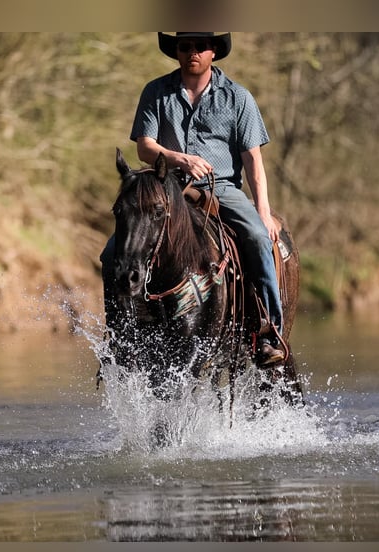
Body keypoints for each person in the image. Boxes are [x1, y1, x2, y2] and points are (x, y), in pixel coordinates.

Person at [101, 32, 285, 366]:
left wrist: (263, 210)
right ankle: (118, 335)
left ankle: (269, 332)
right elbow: (145, 147)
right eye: (185, 46)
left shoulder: (238, 98)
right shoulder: (156, 92)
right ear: (177, 51)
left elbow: (253, 160)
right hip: (167, 186)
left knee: (258, 238)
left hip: (222, 187)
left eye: (200, 46)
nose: (192, 52)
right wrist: (180, 159)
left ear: (214, 51)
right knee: (111, 252)